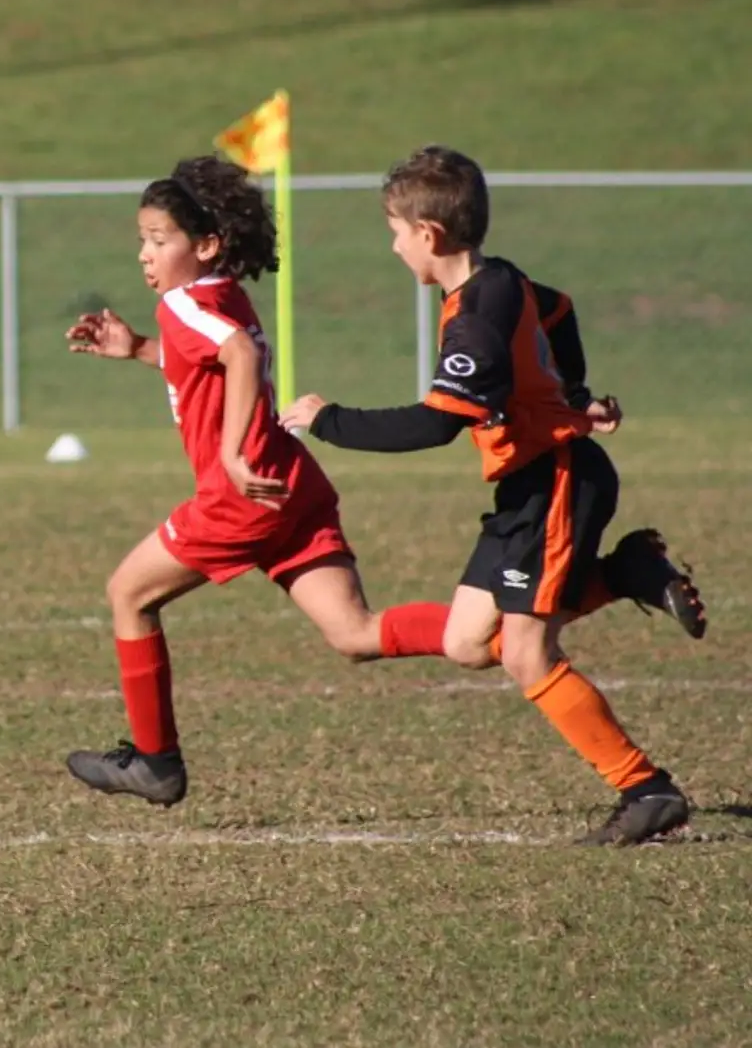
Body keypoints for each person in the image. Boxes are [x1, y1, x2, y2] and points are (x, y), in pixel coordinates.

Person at [281, 145, 706, 845]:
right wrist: (571, 393)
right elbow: (560, 311)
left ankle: (645, 786)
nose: (391, 245)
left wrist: (326, 418)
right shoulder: (501, 281)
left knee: (525, 655)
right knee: (466, 639)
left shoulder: (474, 317)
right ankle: (625, 572)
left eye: (393, 230)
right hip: (531, 484)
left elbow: (435, 423)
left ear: (428, 234)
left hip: (556, 482)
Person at [62, 156, 454, 809]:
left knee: (127, 593)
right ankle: (498, 628)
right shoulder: (219, 293)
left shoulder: (182, 304)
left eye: (160, 240)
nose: (144, 254)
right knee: (354, 632)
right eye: (143, 239)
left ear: (206, 243)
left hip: (242, 494)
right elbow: (212, 359)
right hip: (291, 484)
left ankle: (155, 762)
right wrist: (136, 350)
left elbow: (237, 355)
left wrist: (233, 454)